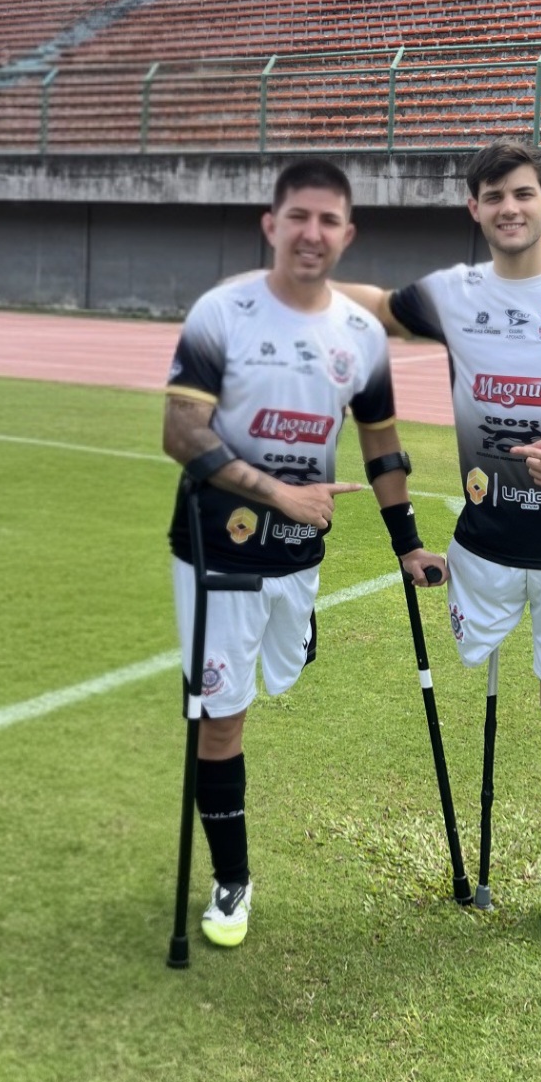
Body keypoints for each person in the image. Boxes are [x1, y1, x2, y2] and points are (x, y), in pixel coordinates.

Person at [336, 139, 541, 968]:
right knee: (487, 682)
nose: (509, 208)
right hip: (483, 546)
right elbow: (376, 306)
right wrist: (284, 283)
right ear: (474, 209)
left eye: (523, 193)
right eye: (493, 197)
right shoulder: (454, 293)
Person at [163, 157, 444, 948]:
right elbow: (181, 431)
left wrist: (409, 545)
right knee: (221, 718)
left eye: (328, 220)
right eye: (298, 217)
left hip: (298, 554)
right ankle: (232, 880)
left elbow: (382, 445)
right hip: (214, 550)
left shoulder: (360, 335)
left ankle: (294, 625)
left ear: (347, 234)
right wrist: (279, 494)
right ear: (271, 225)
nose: (311, 232)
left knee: (286, 663)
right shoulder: (222, 313)